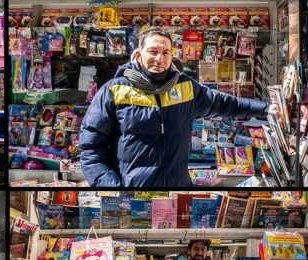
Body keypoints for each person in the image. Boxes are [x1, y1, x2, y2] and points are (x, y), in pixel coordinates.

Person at [79, 27, 279, 187]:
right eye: (153, 52)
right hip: (133, 194)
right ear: (138, 55)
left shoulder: (185, 87)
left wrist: (265, 109)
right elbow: (90, 149)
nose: (160, 58)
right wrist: (113, 189)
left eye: (166, 52)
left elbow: (225, 104)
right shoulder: (114, 90)